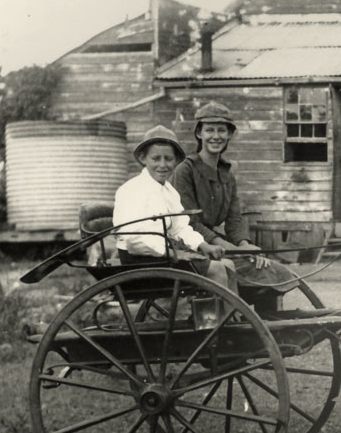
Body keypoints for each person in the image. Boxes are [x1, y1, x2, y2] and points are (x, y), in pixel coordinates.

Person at [171, 101, 299, 310]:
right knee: (256, 269)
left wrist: (244, 244)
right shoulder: (185, 170)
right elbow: (189, 222)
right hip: (192, 246)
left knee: (272, 269)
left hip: (218, 244)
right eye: (209, 130)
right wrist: (231, 249)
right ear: (199, 134)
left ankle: (266, 327)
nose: (216, 136)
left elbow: (234, 219)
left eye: (222, 130)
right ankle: (238, 324)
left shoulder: (227, 174)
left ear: (230, 134)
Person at [113, 125, 235, 290]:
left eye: (168, 159)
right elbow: (135, 240)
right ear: (143, 159)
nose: (162, 165)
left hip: (163, 256)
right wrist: (174, 253)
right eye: (156, 159)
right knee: (217, 269)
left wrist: (203, 245)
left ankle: (229, 315)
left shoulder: (169, 191)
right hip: (140, 260)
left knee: (228, 265)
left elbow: (180, 227)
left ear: (176, 161)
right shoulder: (132, 190)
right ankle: (222, 315)